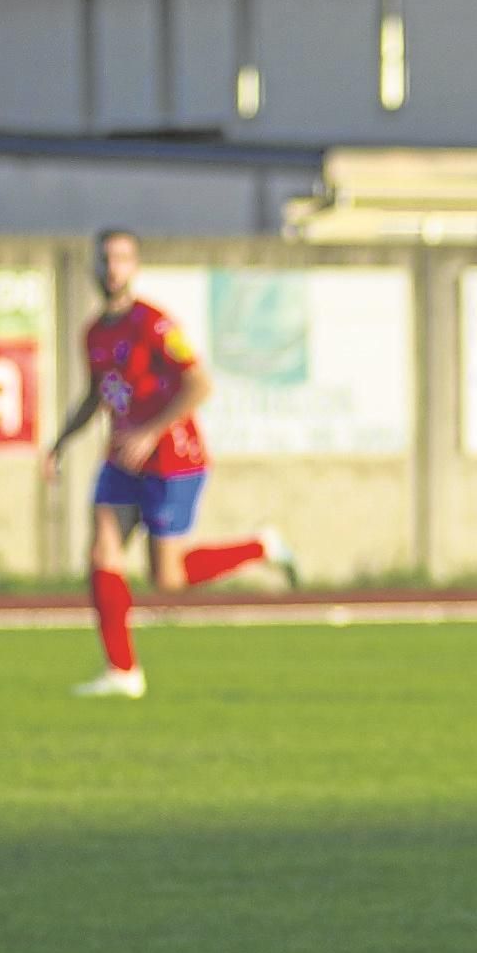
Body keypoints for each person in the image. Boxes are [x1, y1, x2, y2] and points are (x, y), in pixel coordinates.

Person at [42, 229, 295, 698]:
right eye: (106, 258)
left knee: (168, 578)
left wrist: (152, 429)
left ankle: (261, 546)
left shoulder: (153, 324)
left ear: (134, 267)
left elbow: (199, 383)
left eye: (122, 258)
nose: (112, 267)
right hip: (122, 459)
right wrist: (60, 442)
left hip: (172, 458)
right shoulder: (95, 333)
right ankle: (123, 672)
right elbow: (96, 396)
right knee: (102, 552)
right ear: (94, 267)